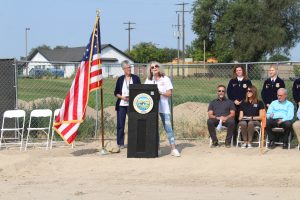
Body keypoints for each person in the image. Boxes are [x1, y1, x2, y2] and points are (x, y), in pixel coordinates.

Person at [144, 61, 180, 157]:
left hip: (164, 107)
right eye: (152, 67)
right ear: (150, 70)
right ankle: (158, 149)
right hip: (151, 109)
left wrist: (160, 93)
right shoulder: (148, 80)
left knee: (168, 128)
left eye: (156, 66)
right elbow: (144, 92)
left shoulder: (165, 79)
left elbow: (169, 94)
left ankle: (173, 148)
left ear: (159, 68)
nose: (154, 68)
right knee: (154, 129)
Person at [114, 60, 141, 149]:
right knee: (120, 124)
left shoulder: (136, 78)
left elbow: (140, 90)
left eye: (130, 67)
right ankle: (120, 143)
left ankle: (135, 142)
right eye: (128, 67)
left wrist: (132, 97)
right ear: (123, 69)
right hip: (121, 105)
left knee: (134, 123)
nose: (130, 69)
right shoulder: (120, 79)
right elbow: (116, 93)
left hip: (133, 105)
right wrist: (122, 97)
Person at [227, 65, 252, 142]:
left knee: (242, 122)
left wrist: (243, 100)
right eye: (237, 70)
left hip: (243, 105)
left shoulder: (247, 81)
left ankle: (242, 140)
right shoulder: (232, 81)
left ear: (243, 71)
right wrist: (234, 100)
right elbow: (229, 92)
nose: (238, 72)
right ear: (235, 72)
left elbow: (250, 92)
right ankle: (234, 140)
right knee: (234, 122)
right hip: (234, 105)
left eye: (240, 70)